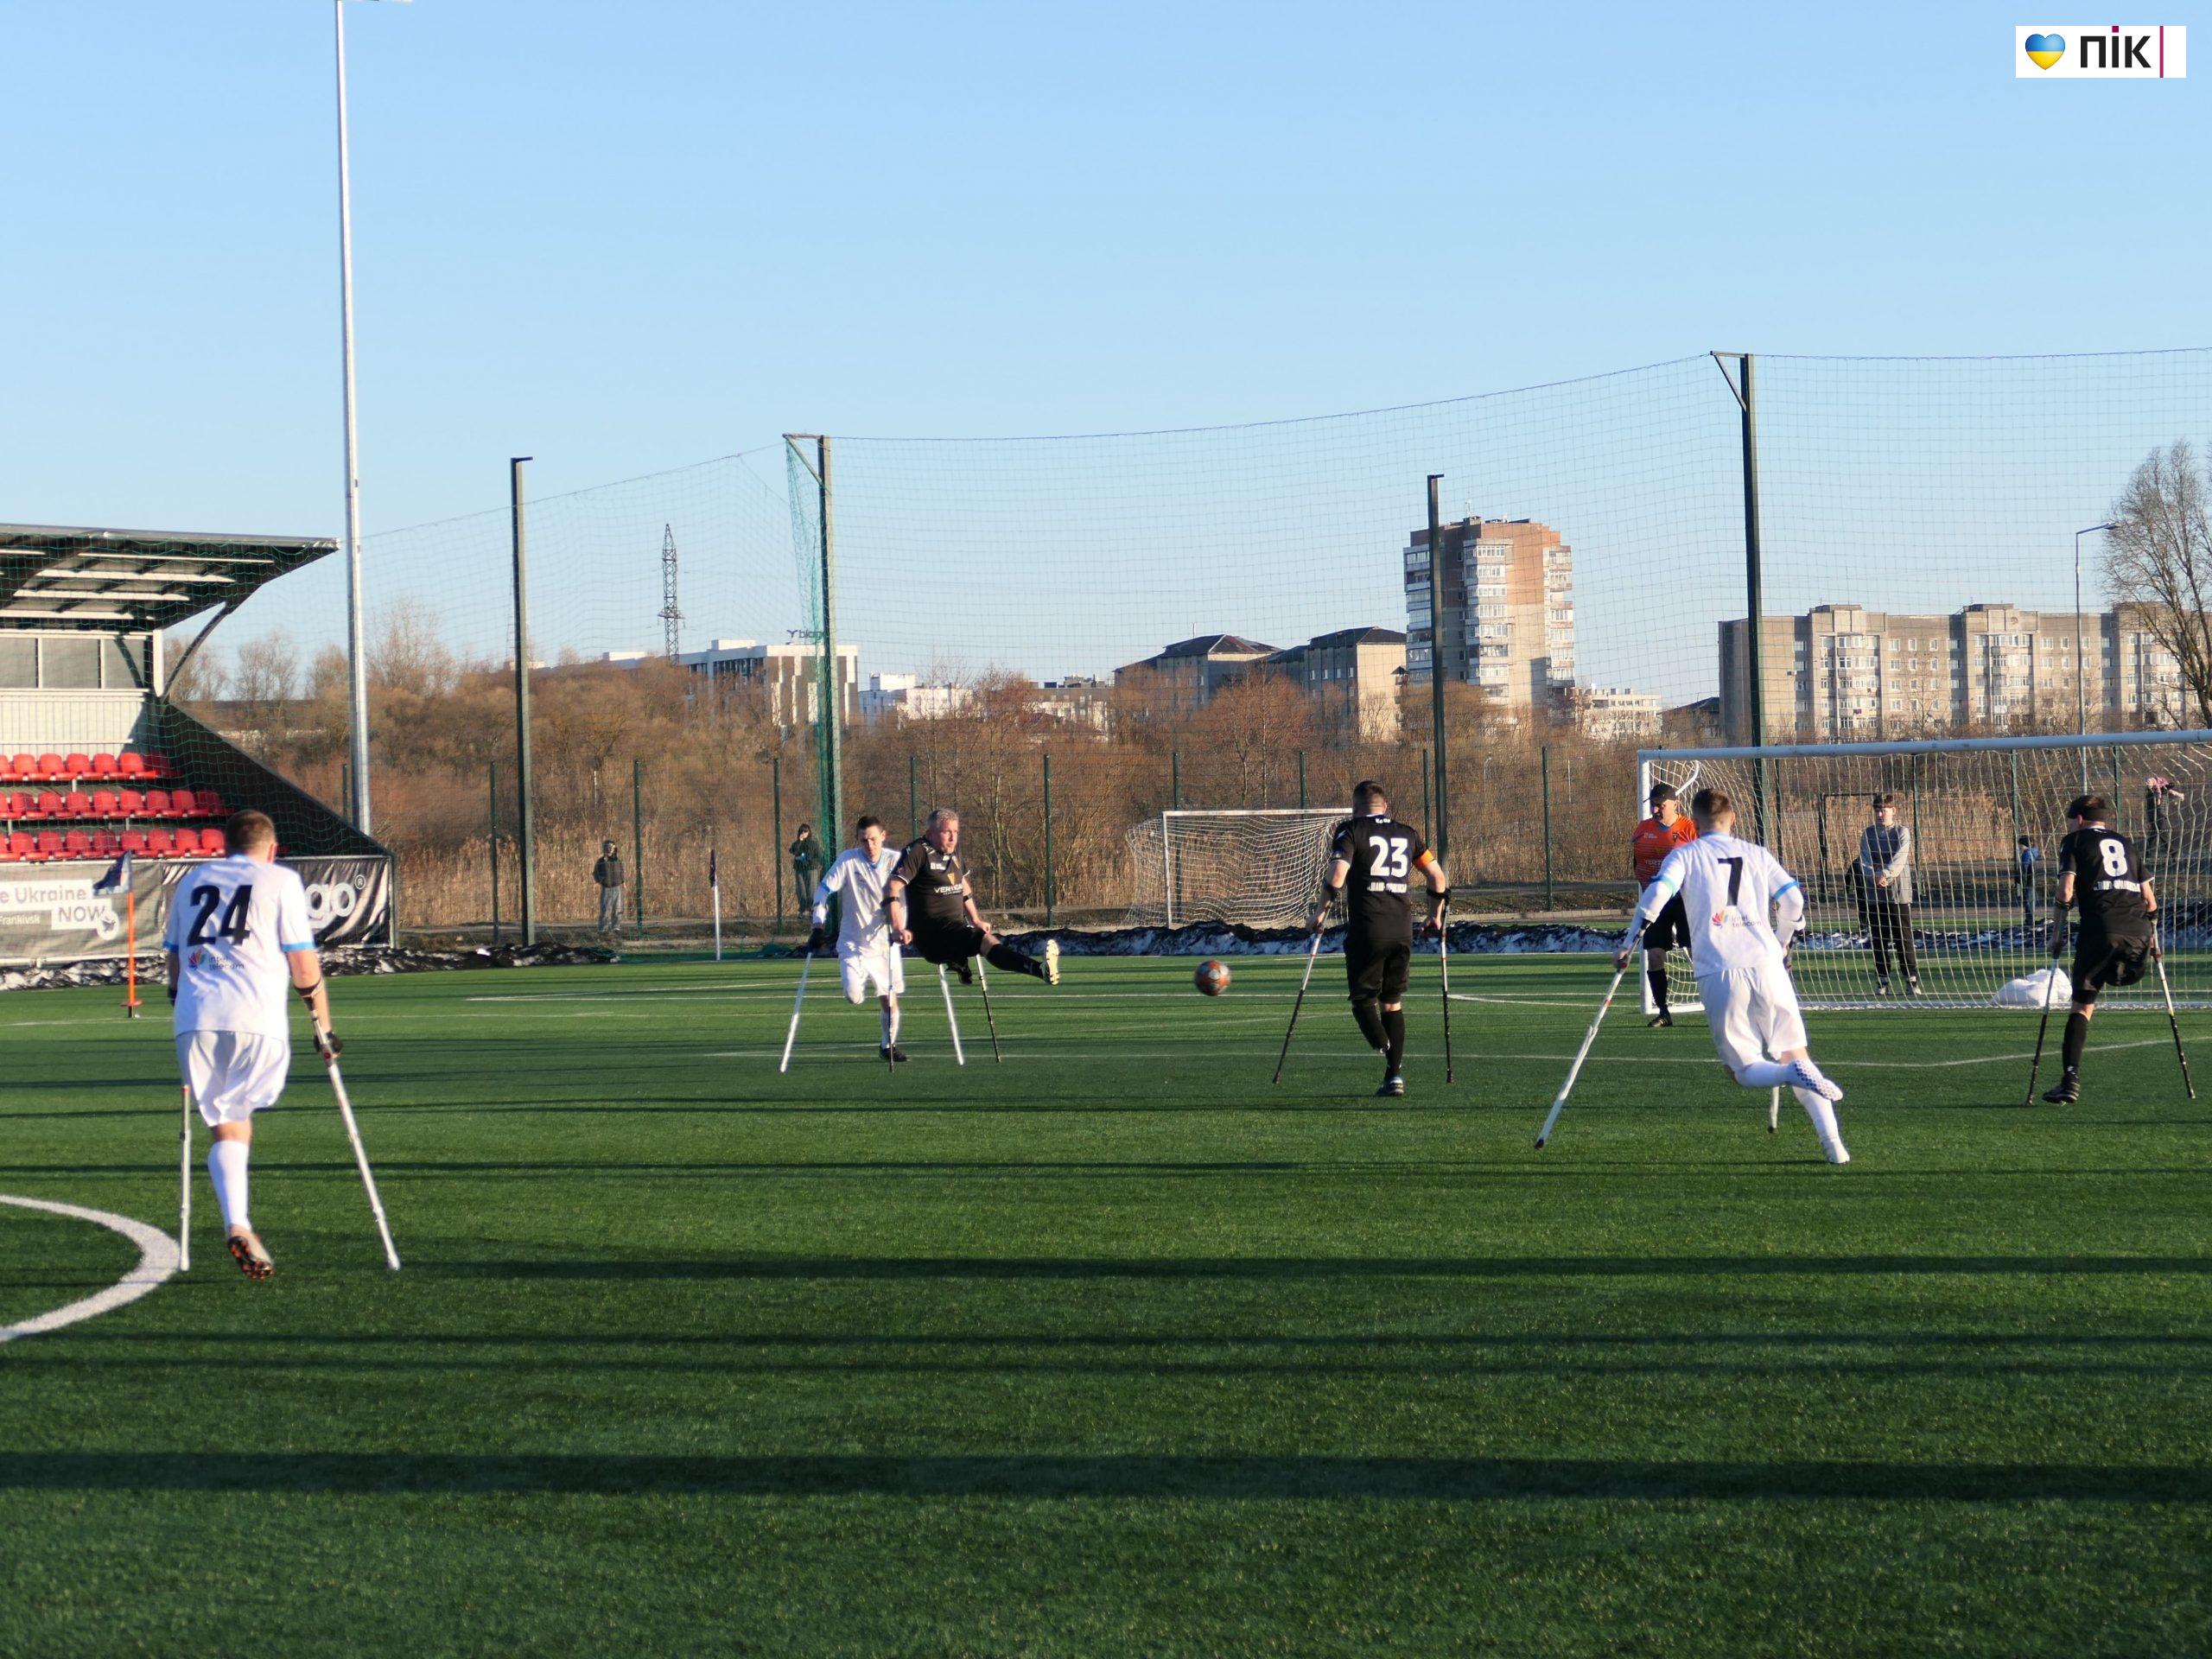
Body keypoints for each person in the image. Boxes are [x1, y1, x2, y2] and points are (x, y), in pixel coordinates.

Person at [1616, 786, 1849, 1164]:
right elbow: (1793, 900)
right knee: (1795, 1051)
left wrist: (1629, 942)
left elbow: (1657, 893)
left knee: (1741, 1071)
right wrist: (1783, 941)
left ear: (1694, 819)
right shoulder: (1757, 853)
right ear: (1733, 819)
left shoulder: (1685, 853)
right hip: (1766, 962)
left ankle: (1790, 1074)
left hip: (1720, 968)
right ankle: (1834, 1146)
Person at [163, 808, 340, 1278]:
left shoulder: (189, 881)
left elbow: (176, 964)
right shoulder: (279, 880)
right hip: (256, 1019)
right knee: (240, 1117)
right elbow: (304, 966)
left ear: (225, 846)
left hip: (194, 1023)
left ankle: (238, 1222)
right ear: (272, 848)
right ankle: (239, 1225)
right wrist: (324, 1027)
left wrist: (181, 1007)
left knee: (227, 1125)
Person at [1311, 780, 1447, 1098]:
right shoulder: (1408, 833)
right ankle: (1394, 1076)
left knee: (1362, 1000)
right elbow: (1437, 877)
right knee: (1392, 1002)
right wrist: (1435, 916)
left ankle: (1384, 1045)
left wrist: (1320, 913)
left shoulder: (1351, 830)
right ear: (1385, 807)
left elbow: (1337, 875)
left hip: (1368, 929)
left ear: (1355, 808)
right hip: (1402, 930)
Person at [2040, 794, 2158, 1104]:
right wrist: (2153, 942)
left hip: (2100, 931)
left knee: (2082, 1005)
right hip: (2138, 936)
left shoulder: (2074, 841)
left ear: (2079, 818)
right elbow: (2151, 901)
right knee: (2117, 974)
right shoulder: (2126, 843)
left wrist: (2056, 934)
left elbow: (2065, 891)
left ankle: (2070, 1080)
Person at [885, 809, 1060, 988]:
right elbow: (892, 886)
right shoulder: (918, 851)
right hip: (931, 935)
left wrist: (975, 919)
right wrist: (898, 927)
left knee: (985, 939)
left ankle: (964, 964)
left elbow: (962, 884)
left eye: (956, 832)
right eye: (947, 832)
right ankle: (1039, 969)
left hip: (955, 928)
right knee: (985, 941)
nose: (953, 838)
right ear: (930, 834)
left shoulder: (954, 851)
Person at [810, 814, 909, 1062]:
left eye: (873, 839)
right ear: (858, 840)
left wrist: (903, 926)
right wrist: (817, 926)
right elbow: (824, 890)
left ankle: (888, 1045)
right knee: (854, 996)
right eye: (864, 840)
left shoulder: (896, 861)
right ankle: (859, 990)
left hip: (885, 944)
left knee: (890, 1000)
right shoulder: (848, 861)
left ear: (883, 836)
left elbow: (912, 896)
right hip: (853, 943)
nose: (869, 845)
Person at [1630, 783, 1699, 1027]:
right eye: (1654, 805)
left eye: (1662, 805)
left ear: (1675, 804)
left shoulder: (1691, 829)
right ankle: (1663, 1012)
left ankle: (1719, 1008)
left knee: (1697, 953)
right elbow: (1637, 863)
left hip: (1686, 900)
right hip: (1657, 901)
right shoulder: (1642, 830)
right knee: (1655, 955)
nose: (1657, 809)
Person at [1859, 792, 1919, 996]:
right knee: (1879, 939)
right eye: (1877, 810)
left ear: (1893, 811)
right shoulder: (1868, 834)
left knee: (1903, 938)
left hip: (1898, 894)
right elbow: (1864, 860)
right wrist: (1874, 876)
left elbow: (1900, 859)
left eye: (1883, 810)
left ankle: (1911, 980)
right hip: (1875, 894)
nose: (1879, 814)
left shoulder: (1902, 832)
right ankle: (1882, 981)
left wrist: (1885, 873)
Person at [592, 839, 625, 937]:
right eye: (607, 847)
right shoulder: (601, 861)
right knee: (605, 909)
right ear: (604, 848)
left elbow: (622, 871)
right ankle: (603, 929)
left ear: (614, 848)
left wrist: (623, 881)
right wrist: (599, 881)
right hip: (606, 888)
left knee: (618, 908)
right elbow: (595, 873)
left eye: (611, 847)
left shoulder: (618, 861)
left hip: (617, 887)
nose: (609, 849)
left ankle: (616, 927)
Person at [789, 823, 823, 912]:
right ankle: (803, 909)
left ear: (809, 832)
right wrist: (800, 841)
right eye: (801, 831)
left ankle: (812, 909)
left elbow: (819, 857)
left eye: (805, 831)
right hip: (799, 869)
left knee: (812, 890)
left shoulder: (814, 844)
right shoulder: (797, 843)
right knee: (801, 890)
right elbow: (793, 851)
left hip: (811, 869)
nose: (803, 833)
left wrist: (809, 860)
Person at [2017, 836, 2042, 933]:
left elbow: (2024, 867)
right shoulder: (2034, 852)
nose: (2019, 847)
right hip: (2033, 879)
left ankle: (2030, 921)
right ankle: (2031, 919)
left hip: (2028, 880)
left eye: (2021, 845)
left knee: (2028, 900)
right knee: (2031, 899)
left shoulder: (2027, 854)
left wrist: (2020, 879)